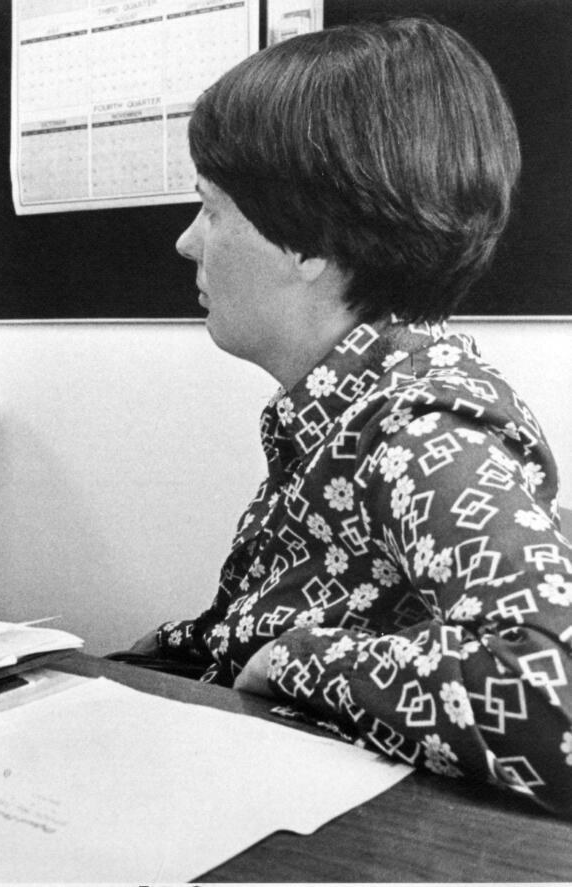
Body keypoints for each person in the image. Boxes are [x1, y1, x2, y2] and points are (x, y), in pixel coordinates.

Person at [118, 18, 572, 815]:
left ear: (306, 245)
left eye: (211, 210)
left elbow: (554, 695)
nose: (188, 242)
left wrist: (302, 661)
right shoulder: (347, 400)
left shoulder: (419, 429)